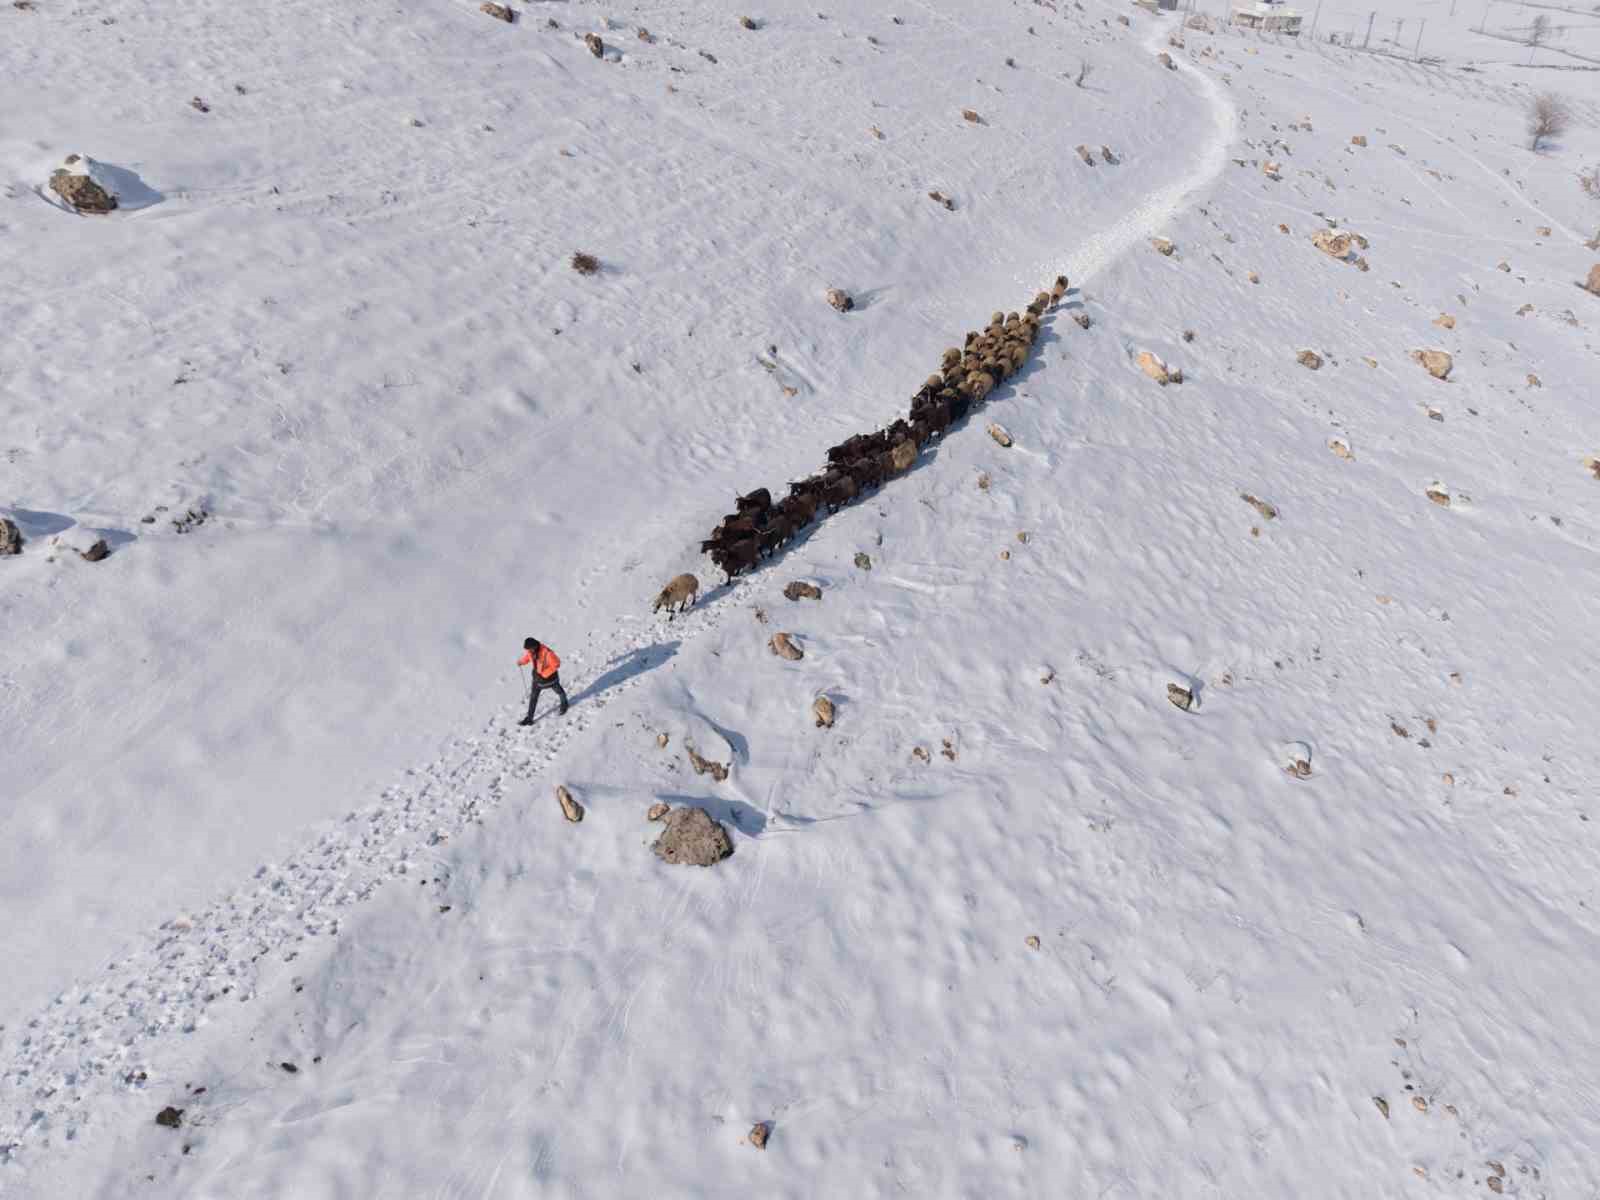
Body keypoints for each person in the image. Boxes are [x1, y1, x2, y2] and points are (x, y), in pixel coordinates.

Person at [518, 637, 569, 725]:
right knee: (533, 698)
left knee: (559, 691)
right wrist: (522, 662)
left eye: (529, 649)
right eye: (527, 650)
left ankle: (564, 703)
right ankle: (529, 718)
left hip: (550, 679)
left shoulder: (547, 653)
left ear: (534, 646)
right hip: (537, 680)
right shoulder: (531, 651)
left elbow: (556, 664)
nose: (528, 651)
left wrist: (545, 674)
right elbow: (528, 657)